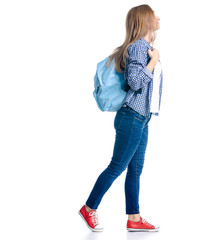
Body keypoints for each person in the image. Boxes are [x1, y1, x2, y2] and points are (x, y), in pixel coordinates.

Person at [79, 4, 163, 232]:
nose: (158, 17)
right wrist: (153, 61)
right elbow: (135, 83)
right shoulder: (139, 48)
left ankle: (134, 218)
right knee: (117, 166)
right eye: (154, 14)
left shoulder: (144, 48)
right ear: (145, 19)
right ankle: (89, 207)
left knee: (135, 169)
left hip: (142, 118)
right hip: (132, 117)